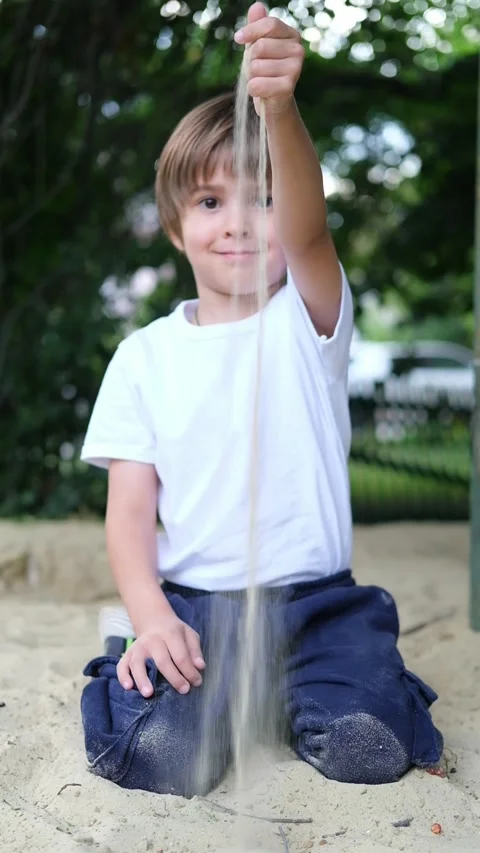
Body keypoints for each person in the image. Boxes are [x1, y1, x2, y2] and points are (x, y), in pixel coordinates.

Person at [80, 2, 443, 797]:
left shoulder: (307, 318)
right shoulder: (144, 357)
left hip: (319, 608)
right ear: (176, 229)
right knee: (158, 755)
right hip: (197, 611)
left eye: (262, 199)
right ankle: (139, 660)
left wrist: (278, 112)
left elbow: (310, 232)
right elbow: (130, 514)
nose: (239, 224)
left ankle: (320, 691)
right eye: (210, 202)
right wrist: (150, 615)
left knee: (368, 746)